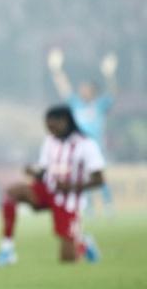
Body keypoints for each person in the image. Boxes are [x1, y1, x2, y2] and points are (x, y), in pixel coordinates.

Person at [0, 105, 104, 267]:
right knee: (12, 193)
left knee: (68, 259)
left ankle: (83, 244)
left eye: (53, 126)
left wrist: (71, 186)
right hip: (47, 190)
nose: (50, 130)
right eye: (48, 127)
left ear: (65, 121)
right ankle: (7, 250)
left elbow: (99, 180)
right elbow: (44, 171)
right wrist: (33, 171)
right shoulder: (50, 141)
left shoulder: (86, 144)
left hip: (69, 200)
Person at [47, 48, 117, 214]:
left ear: (93, 91)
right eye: (82, 89)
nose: (82, 91)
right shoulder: (76, 103)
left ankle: (108, 204)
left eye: (86, 89)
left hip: (96, 145)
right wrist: (57, 70)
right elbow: (65, 89)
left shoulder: (99, 104)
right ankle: (88, 206)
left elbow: (112, 93)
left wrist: (110, 74)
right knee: (82, 176)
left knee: (98, 174)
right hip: (79, 145)